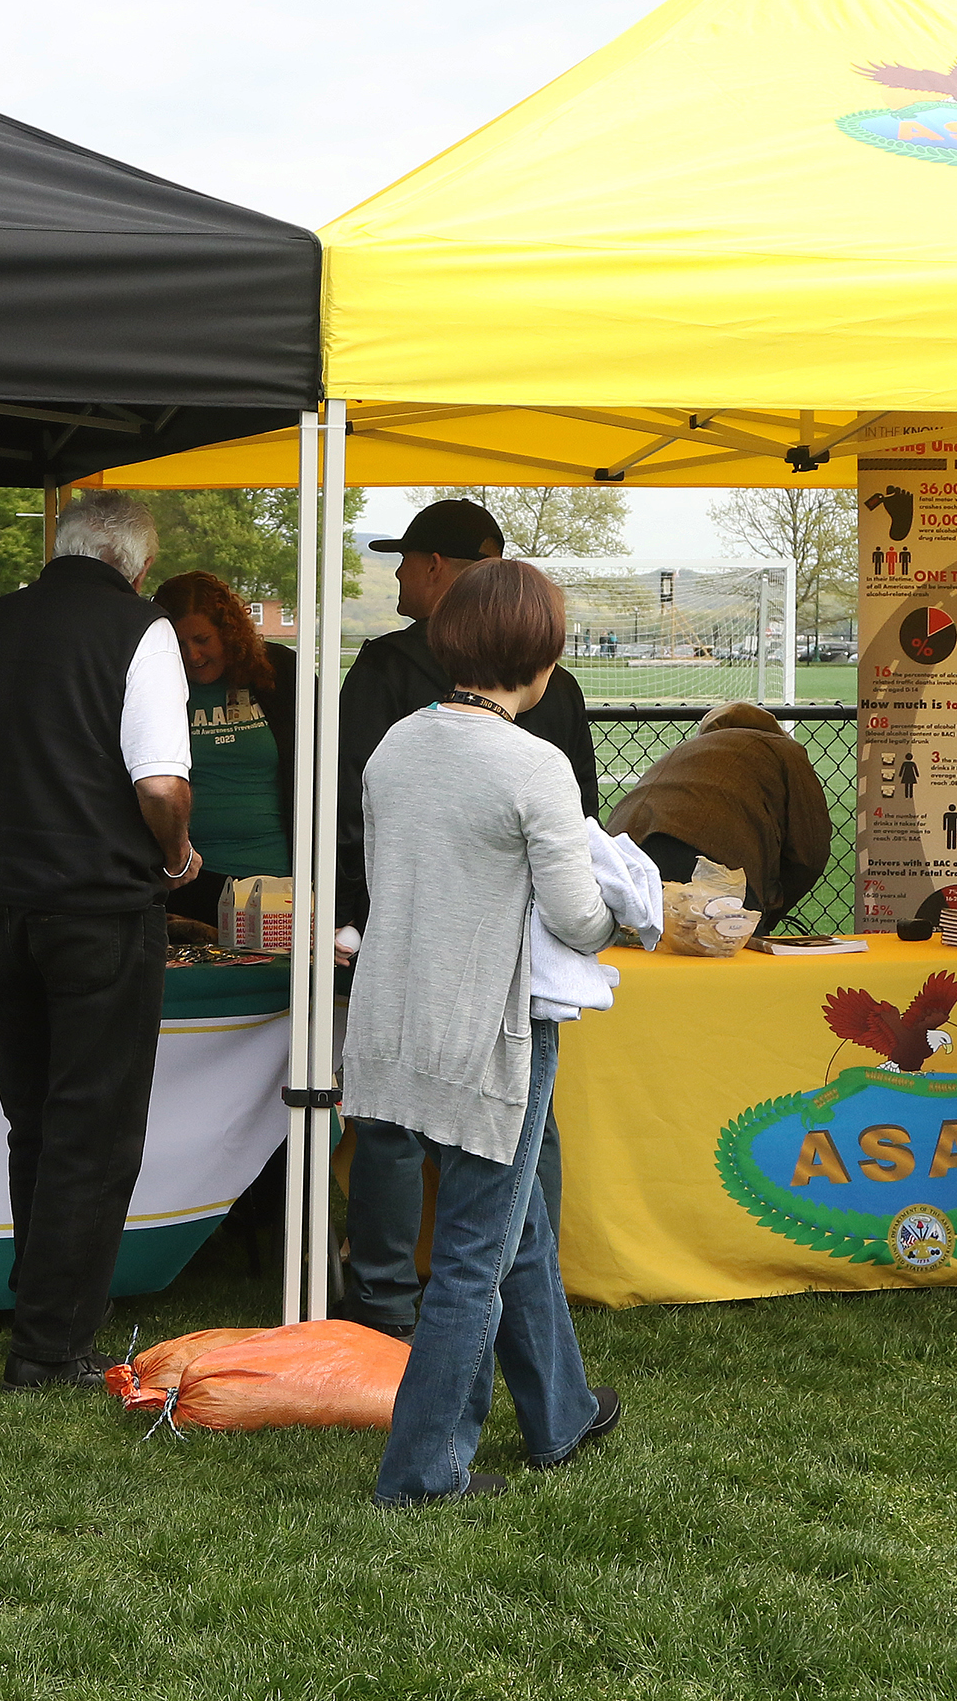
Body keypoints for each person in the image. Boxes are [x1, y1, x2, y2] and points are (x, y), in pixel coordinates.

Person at [347, 559, 617, 1504]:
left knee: (514, 1224)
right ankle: (424, 1471)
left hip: (392, 1017)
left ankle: (561, 1413)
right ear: (540, 659)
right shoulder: (534, 764)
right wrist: (629, 900)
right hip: (489, 1029)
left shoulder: (395, 745)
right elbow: (582, 919)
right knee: (474, 1257)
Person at [0, 491, 195, 1390]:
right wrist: (180, 854)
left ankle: (36, 1307)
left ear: (61, 546)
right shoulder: (140, 630)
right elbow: (159, 786)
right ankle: (50, 1344)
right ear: (137, 563)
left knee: (32, 1123)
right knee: (94, 1130)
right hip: (100, 909)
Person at [334, 498, 598, 1336]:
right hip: (514, 952)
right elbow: (583, 846)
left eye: (407, 558)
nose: (401, 574)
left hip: (415, 938)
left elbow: (354, 812)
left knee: (407, 1124)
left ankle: (392, 1301)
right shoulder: (403, 675)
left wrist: (358, 916)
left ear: (444, 571)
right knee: (511, 1128)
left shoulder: (391, 682)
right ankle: (518, 1302)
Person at [153, 571, 300, 926]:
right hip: (188, 885)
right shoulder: (155, 687)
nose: (193, 655)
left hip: (278, 883)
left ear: (229, 631)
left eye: (202, 639)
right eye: (179, 644)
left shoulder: (279, 673)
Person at [605, 701, 833, 926]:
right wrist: (767, 910)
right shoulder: (783, 749)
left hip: (622, 847)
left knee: (638, 954)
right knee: (722, 948)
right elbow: (810, 853)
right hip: (710, 857)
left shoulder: (685, 750)